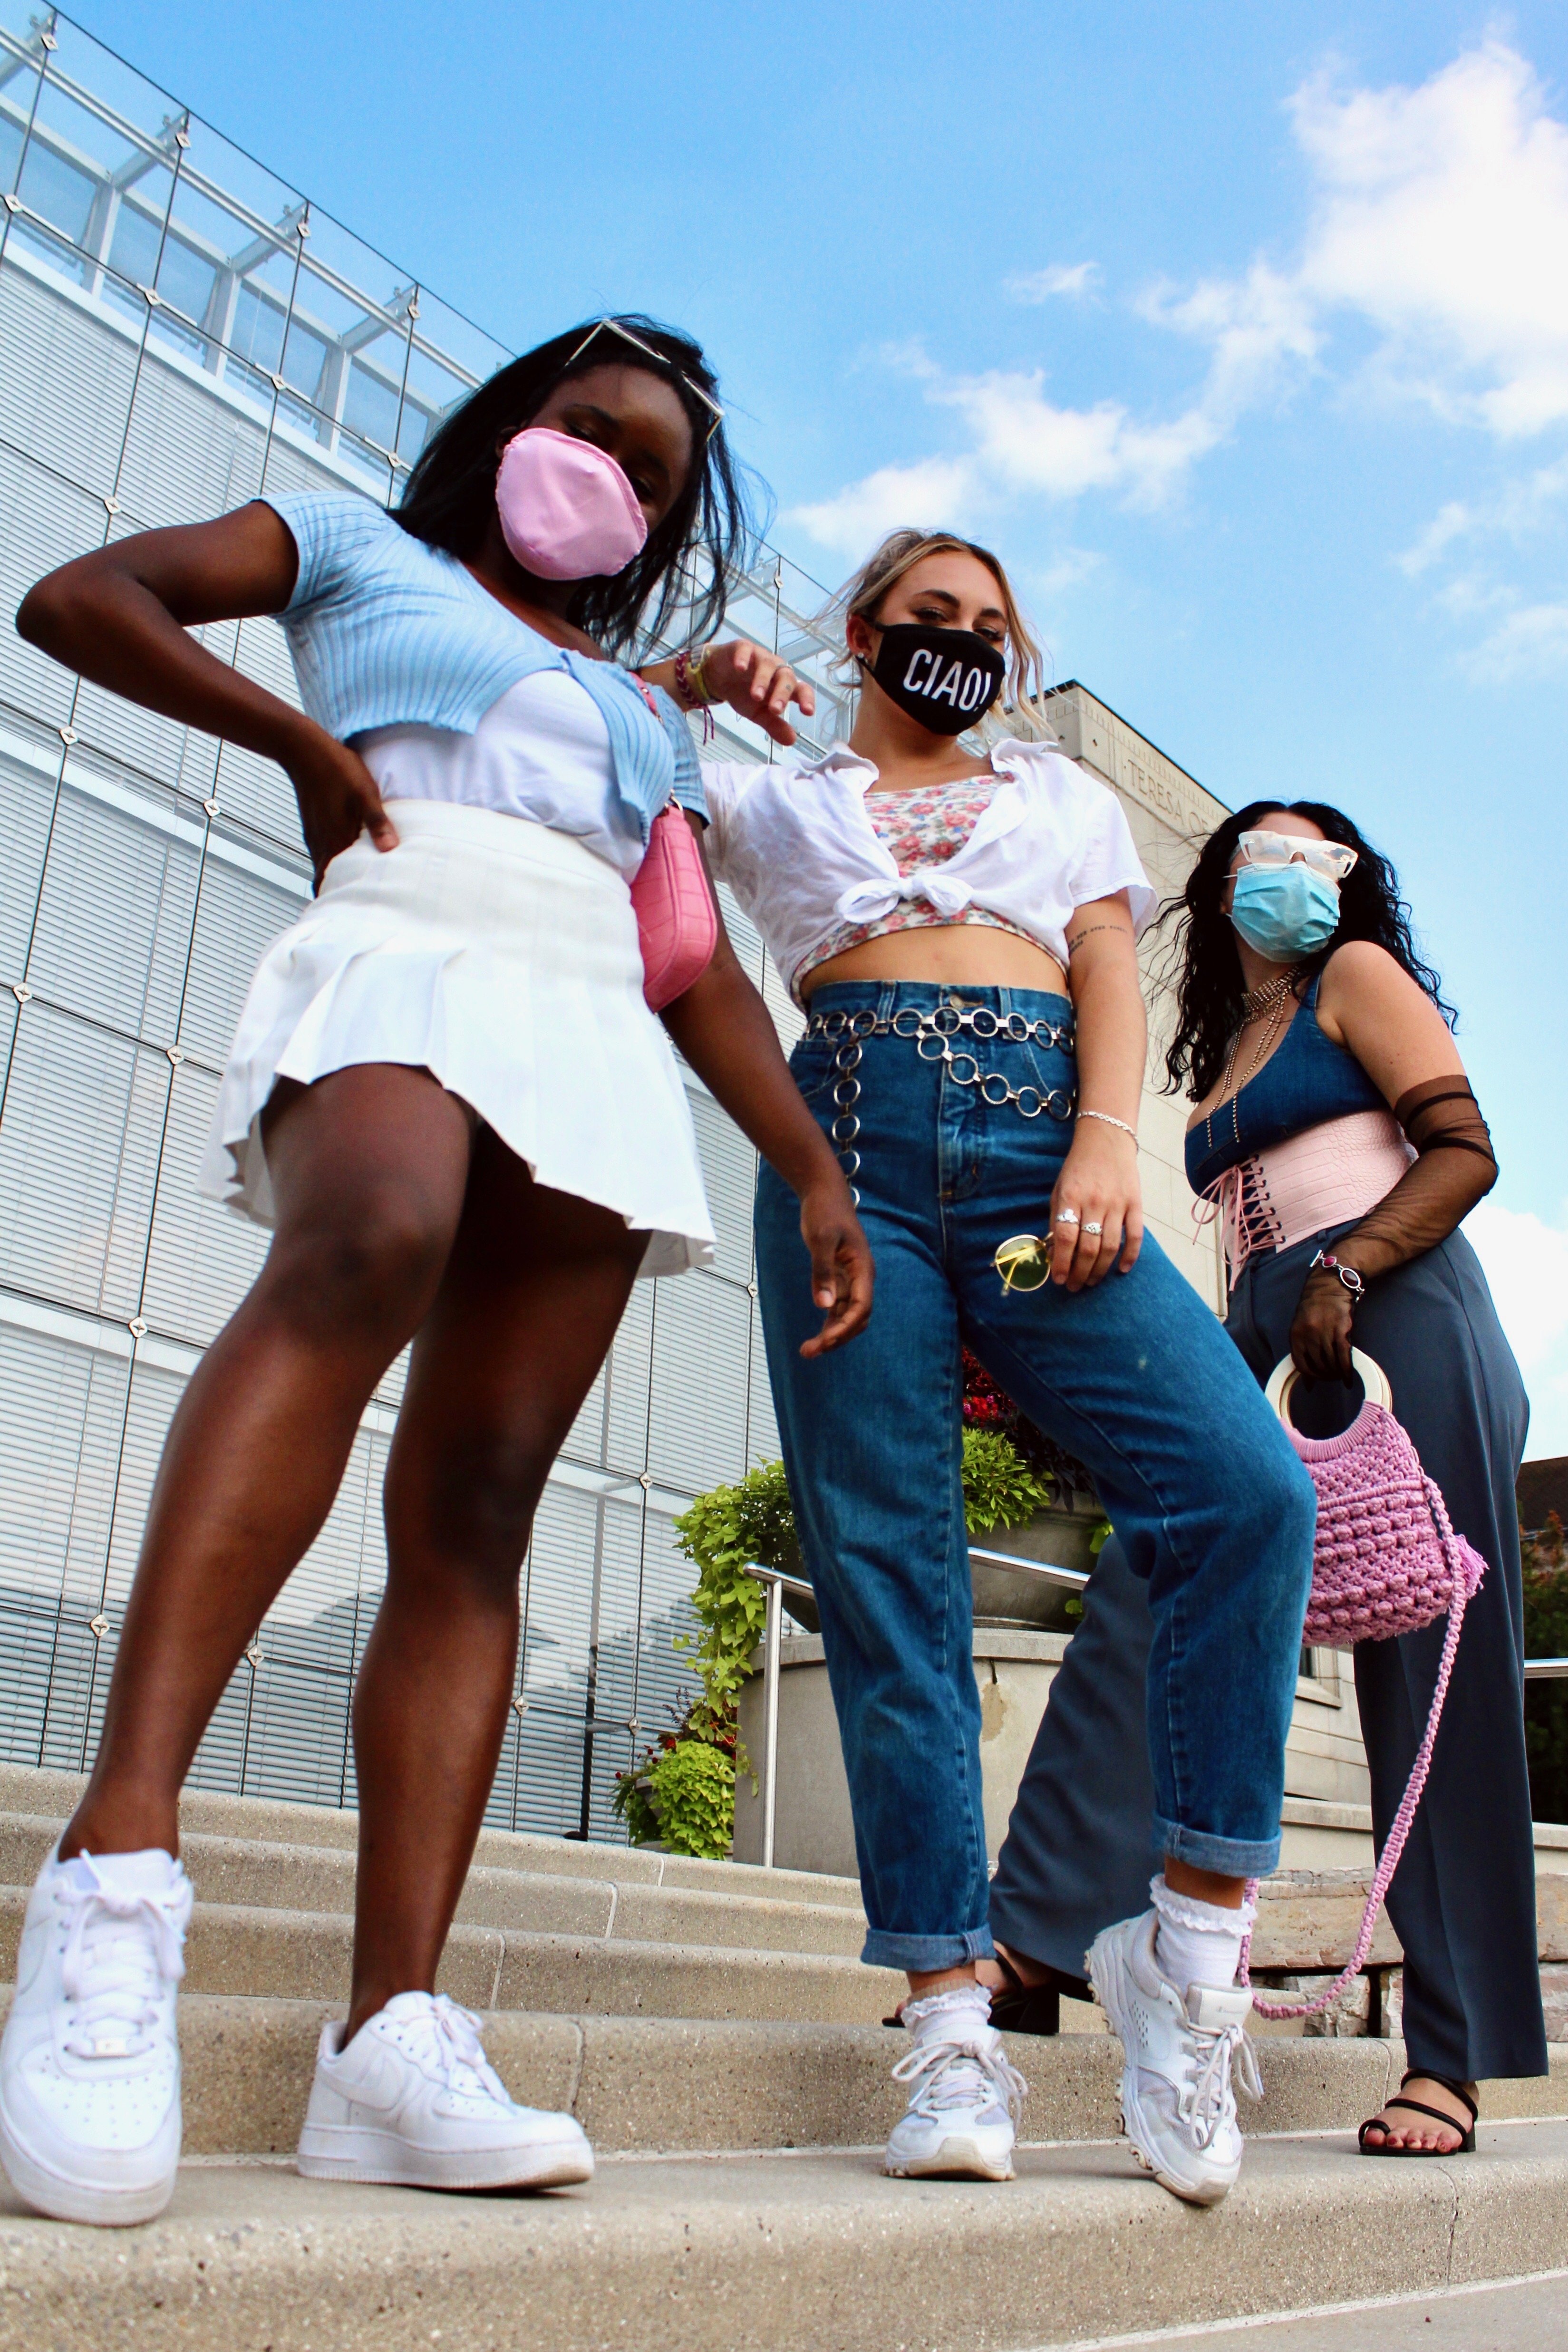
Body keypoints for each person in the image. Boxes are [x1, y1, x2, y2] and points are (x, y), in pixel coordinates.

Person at [0, 314, 871, 2227]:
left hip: (584, 1013)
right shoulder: (350, 550)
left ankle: (387, 2031)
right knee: (367, 1236)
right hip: (404, 939)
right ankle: (113, 1882)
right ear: (506, 430)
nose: (613, 478)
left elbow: (689, 962)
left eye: (650, 474)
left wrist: (810, 1161)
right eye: (589, 431)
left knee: (481, 1502)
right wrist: (297, 736)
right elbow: (80, 597)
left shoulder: (647, 715)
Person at [700, 529, 1316, 2203]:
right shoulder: (767, 795)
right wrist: (697, 680)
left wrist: (1105, 1138)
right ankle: (949, 2015)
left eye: (987, 624)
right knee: (888, 1564)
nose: (958, 643)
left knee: (1244, 1492)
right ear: (863, 631)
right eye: (928, 618)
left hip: (1046, 1131)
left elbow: (1110, 960)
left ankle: (1185, 1949)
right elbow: (637, 854)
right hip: (846, 1146)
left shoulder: (1055, 797)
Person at [991, 800, 1546, 2158]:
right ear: (1220, 879)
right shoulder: (1228, 1041)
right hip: (1258, 1319)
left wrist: (1350, 1271)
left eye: (1315, 855)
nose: (1284, 876)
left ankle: (1451, 2057)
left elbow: (1466, 1146)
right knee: (1143, 1585)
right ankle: (1041, 1938)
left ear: (1346, 881)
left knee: (1427, 1675)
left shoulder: (1357, 979)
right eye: (1261, 852)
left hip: (1395, 1303)